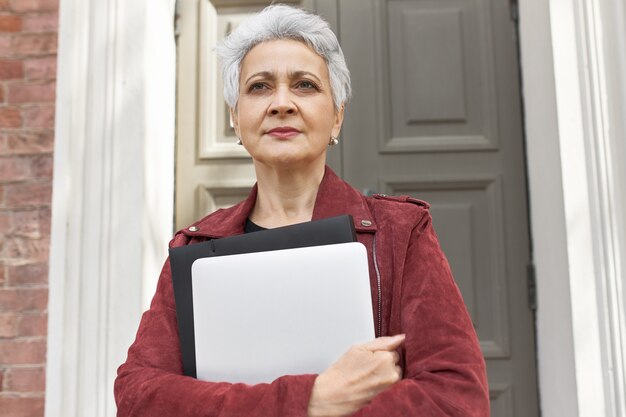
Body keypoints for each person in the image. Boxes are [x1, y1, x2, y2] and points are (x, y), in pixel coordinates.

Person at [115, 5, 489, 417]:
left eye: (305, 85)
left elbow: (457, 398)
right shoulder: (196, 246)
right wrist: (310, 401)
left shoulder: (401, 232)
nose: (281, 103)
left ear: (337, 117)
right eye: (259, 87)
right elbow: (138, 397)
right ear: (236, 120)